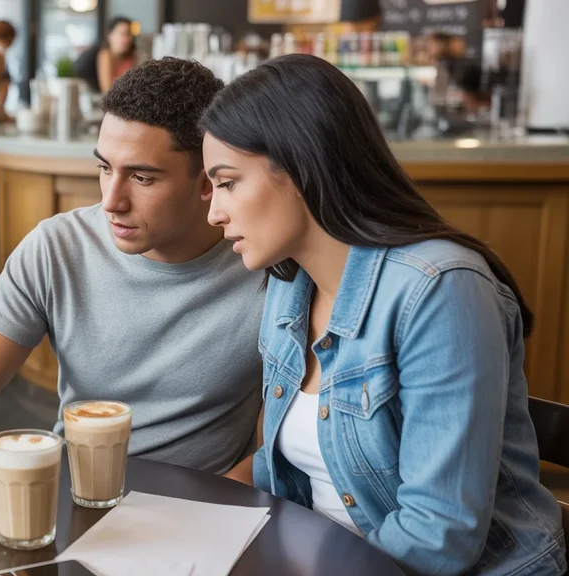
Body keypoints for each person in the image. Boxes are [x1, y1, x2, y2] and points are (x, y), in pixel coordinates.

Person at [201, 54, 565, 574]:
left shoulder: (441, 291)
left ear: (302, 164)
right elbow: (288, 468)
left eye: (228, 182)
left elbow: (438, 535)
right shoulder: (290, 285)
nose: (214, 210)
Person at [0, 58, 265, 478]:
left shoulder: (263, 266)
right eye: (104, 167)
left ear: (208, 180)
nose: (111, 200)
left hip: (204, 512)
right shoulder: (56, 247)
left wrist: (216, 509)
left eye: (142, 178)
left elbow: (275, 447)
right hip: (76, 493)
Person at [74, 16, 137, 94]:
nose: (127, 38)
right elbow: (107, 90)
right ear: (110, 36)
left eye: (129, 34)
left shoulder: (131, 56)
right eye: (122, 34)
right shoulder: (105, 54)